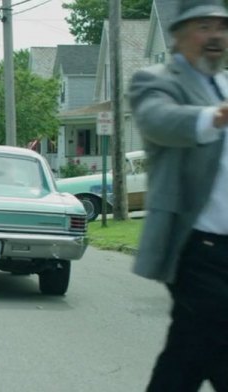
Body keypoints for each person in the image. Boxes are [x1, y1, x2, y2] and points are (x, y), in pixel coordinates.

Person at [128, 1, 228, 390]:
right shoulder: (155, 81)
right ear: (179, 35)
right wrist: (214, 117)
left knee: (193, 348)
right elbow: (159, 120)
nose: (216, 35)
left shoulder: (223, 83)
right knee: (214, 332)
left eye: (222, 26)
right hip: (194, 245)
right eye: (204, 26)